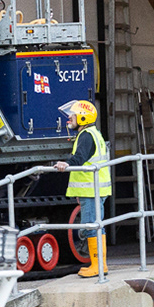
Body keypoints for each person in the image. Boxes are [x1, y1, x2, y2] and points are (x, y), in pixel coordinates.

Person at [55, 99, 110, 278]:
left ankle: (98, 266)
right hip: (93, 190)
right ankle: (99, 265)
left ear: (83, 117)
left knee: (92, 226)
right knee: (95, 225)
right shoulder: (93, 133)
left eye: (73, 115)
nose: (69, 118)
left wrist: (66, 164)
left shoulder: (86, 136)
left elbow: (79, 158)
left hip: (92, 190)